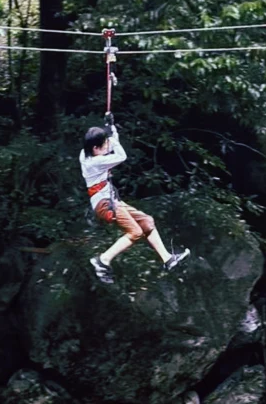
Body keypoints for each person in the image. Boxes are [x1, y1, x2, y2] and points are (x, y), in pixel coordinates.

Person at [80, 114, 190, 284]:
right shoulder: (95, 162)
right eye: (103, 146)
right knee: (136, 232)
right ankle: (102, 260)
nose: (106, 147)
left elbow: (109, 147)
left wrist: (111, 128)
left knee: (147, 222)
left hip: (111, 200)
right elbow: (121, 155)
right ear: (95, 148)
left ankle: (168, 259)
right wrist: (111, 135)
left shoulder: (86, 153)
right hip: (105, 205)